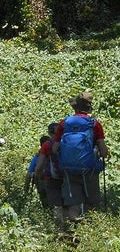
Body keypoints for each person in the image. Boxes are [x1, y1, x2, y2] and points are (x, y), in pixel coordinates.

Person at [52, 91, 109, 221]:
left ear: (75, 106)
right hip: (90, 170)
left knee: (73, 204)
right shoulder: (94, 124)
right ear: (89, 108)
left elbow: (55, 149)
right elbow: (103, 150)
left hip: (69, 170)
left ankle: (73, 234)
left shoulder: (64, 123)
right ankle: (90, 233)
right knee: (91, 203)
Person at [35, 123, 63, 219]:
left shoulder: (47, 145)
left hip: (51, 179)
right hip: (68, 176)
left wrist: (37, 175)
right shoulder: (67, 143)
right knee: (68, 204)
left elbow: (39, 165)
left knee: (56, 205)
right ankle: (72, 228)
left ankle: (60, 228)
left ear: (49, 133)